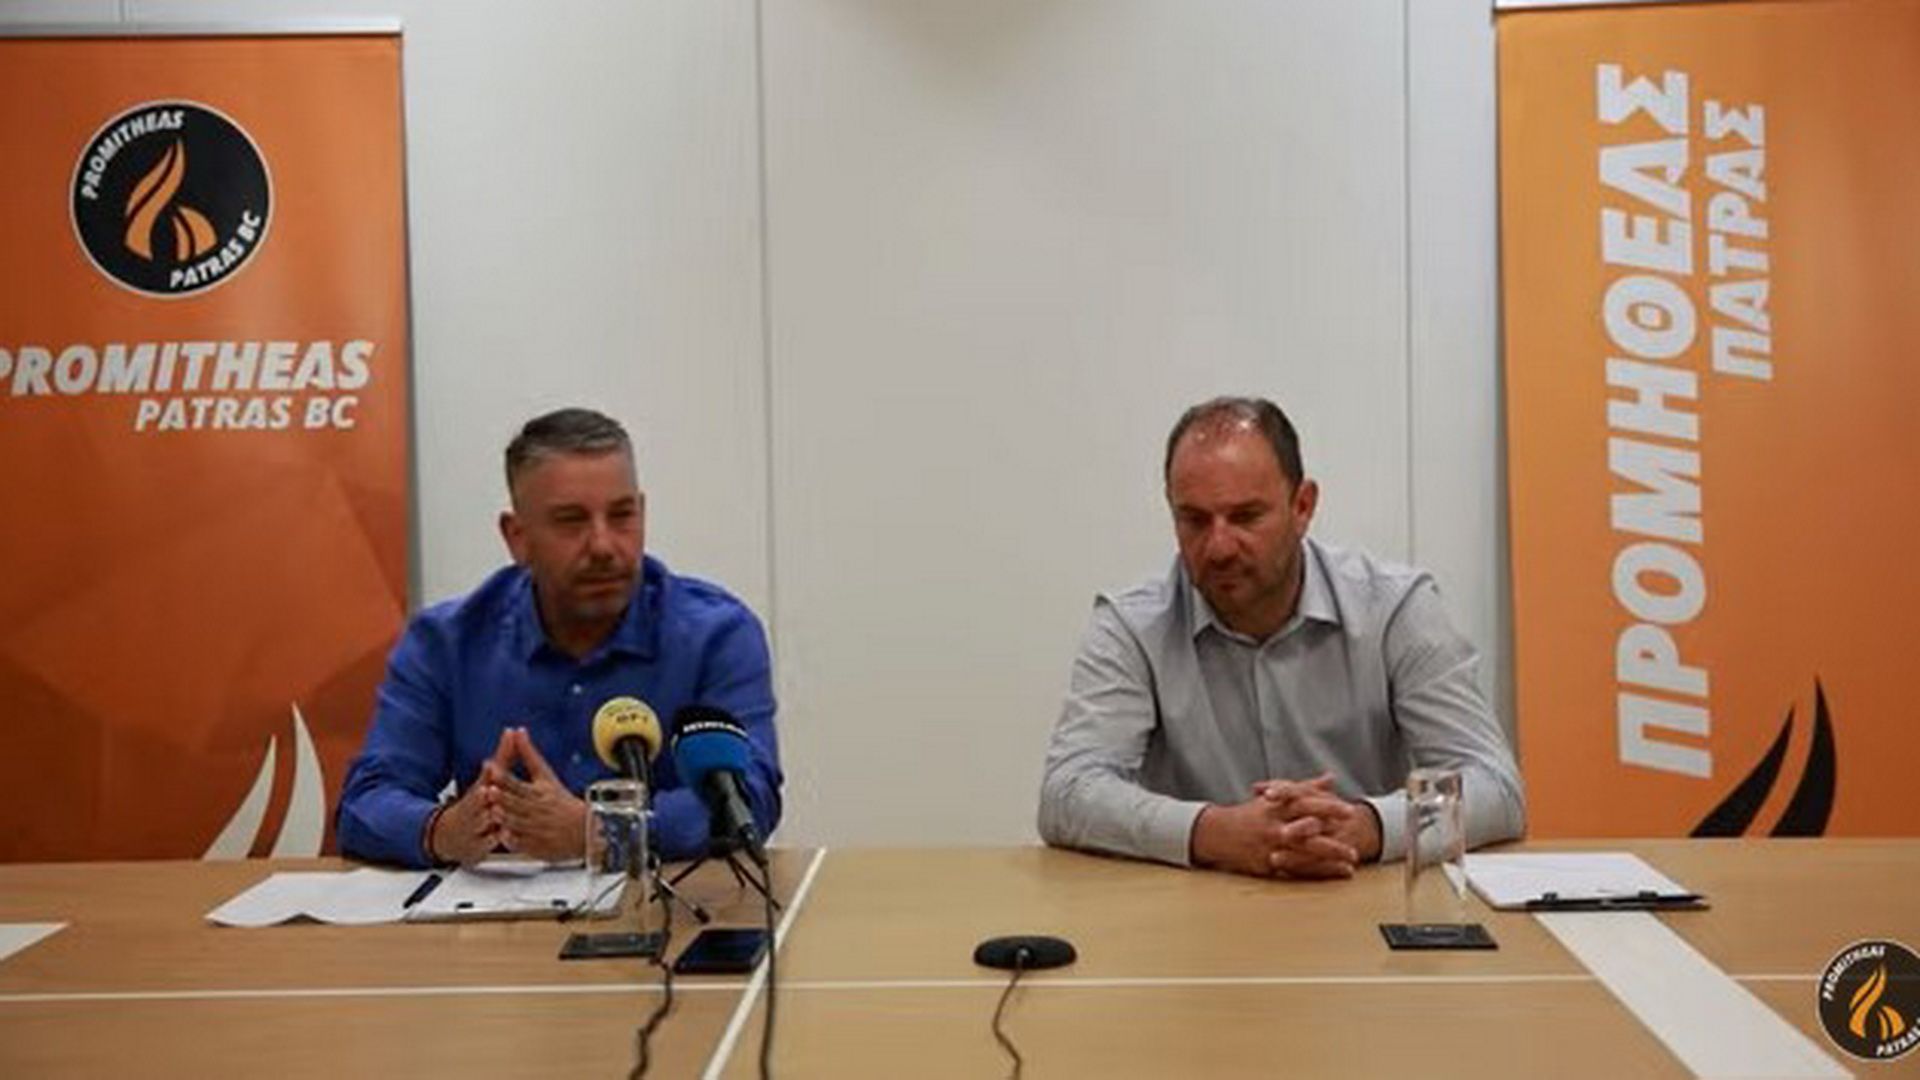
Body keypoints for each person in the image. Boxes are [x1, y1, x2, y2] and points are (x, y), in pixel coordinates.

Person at [1038, 396, 1523, 879]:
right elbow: (1067, 793)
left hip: (1360, 902)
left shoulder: (1395, 609)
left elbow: (1497, 790)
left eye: (1246, 517)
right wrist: (1214, 833)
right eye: (1195, 520)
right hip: (1201, 907)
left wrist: (1364, 827)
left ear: (1302, 506)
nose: (1219, 547)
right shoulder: (1132, 626)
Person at [337, 407, 781, 868]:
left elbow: (751, 797)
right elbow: (366, 802)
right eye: (572, 521)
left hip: (666, 905)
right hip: (499, 911)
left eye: (622, 515)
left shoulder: (716, 636)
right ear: (517, 537)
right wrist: (442, 831)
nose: (604, 545)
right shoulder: (445, 643)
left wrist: (602, 831)